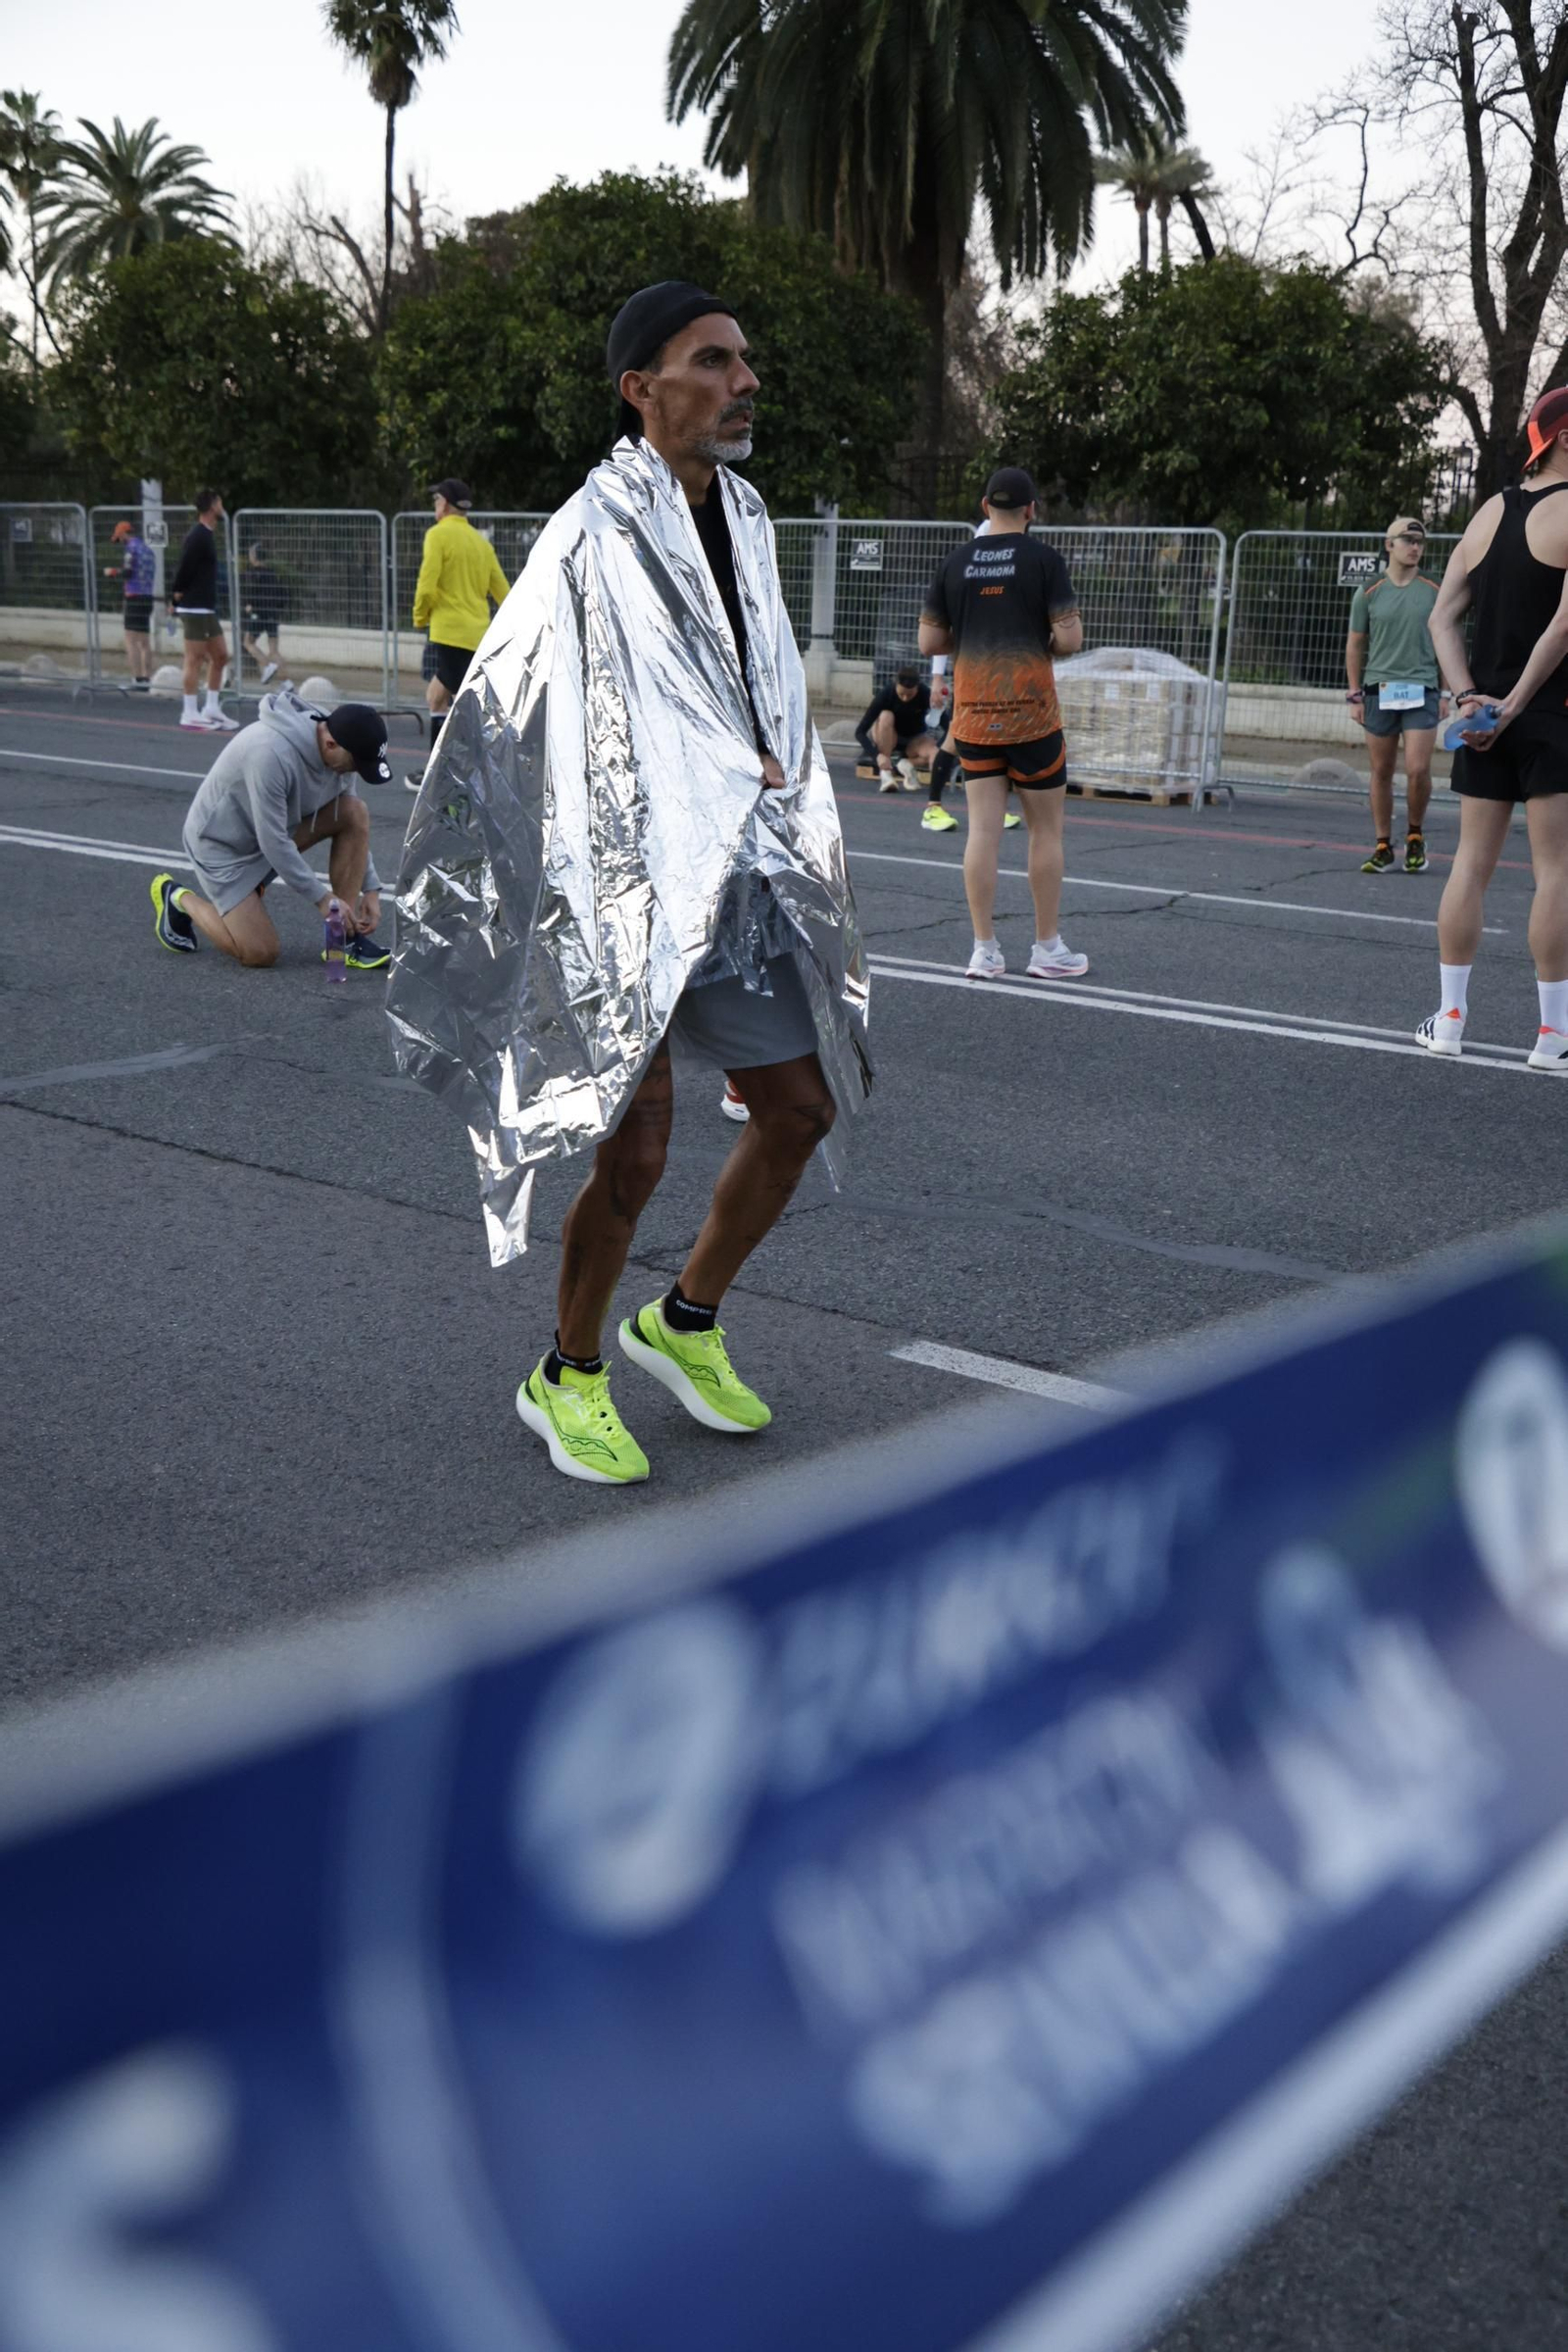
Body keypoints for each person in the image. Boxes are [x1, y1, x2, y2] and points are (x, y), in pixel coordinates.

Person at [389, 279, 870, 1486]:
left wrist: (773, 784)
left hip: (741, 867)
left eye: (744, 361)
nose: (741, 381)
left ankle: (685, 1321)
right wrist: (712, 763)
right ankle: (568, 1371)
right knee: (639, 1146)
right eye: (711, 362)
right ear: (640, 389)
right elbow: (541, 707)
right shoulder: (590, 532)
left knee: (800, 1108)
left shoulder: (748, 515)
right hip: (615, 882)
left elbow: (756, 678)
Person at [1422, 386, 1568, 1070]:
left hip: (1484, 714)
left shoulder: (1489, 512)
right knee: (1556, 872)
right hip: (1550, 714)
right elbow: (1565, 627)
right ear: (1564, 438)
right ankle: (1552, 1036)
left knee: (1470, 868)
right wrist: (1511, 705)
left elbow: (1441, 618)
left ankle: (1450, 1019)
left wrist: (1470, 698)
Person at [918, 466, 1088, 980]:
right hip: (1032, 719)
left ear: (984, 507)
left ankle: (985, 950)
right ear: (1031, 511)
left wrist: (971, 635)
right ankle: (1047, 948)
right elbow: (1070, 638)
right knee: (1046, 832)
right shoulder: (1044, 560)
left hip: (973, 719)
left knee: (982, 832)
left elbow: (929, 642)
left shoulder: (956, 561)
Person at [149, 686, 392, 970]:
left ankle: (343, 942)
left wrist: (371, 889)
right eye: (355, 765)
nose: (355, 773)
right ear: (330, 745)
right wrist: (324, 899)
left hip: (274, 832)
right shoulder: (269, 753)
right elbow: (273, 842)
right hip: (221, 848)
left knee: (354, 810)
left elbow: (349, 818)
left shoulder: (342, 743)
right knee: (259, 953)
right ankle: (178, 898)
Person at [1346, 516, 1445, 873]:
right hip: (1378, 691)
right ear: (1389, 545)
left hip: (1423, 688)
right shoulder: (1369, 591)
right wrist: (1354, 694)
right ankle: (1383, 844)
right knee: (1381, 770)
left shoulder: (1435, 588)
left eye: (1420, 541)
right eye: (1408, 540)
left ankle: (1415, 835)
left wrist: (1447, 691)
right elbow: (1356, 643)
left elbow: (1447, 639)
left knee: (1418, 768)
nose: (1415, 547)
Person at [404, 479, 510, 790]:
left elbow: (427, 582)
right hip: (479, 634)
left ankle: (443, 775)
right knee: (441, 697)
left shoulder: (438, 536)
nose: (435, 505)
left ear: (446, 504)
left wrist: (419, 616)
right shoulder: (481, 544)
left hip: (449, 633)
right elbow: (503, 591)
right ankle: (452, 770)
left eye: (436, 499)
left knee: (450, 701)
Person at [169, 488, 236, 733]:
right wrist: (176, 594)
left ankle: (211, 707)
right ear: (212, 506)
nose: (222, 506)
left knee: (220, 656)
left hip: (206, 608)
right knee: (194, 659)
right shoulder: (197, 536)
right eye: (220, 502)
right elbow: (184, 567)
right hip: (193, 607)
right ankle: (189, 712)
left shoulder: (207, 535)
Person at [856, 667, 939, 791]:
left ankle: (907, 765)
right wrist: (877, 756)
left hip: (914, 740)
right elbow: (860, 732)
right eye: (901, 694)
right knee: (885, 716)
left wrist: (940, 750)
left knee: (935, 751)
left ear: (917, 687)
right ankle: (886, 772)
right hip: (889, 736)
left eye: (910, 695)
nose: (905, 698)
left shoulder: (926, 693)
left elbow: (947, 725)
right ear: (896, 686)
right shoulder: (885, 694)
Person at [106, 520, 157, 690]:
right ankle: (147, 678)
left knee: (130, 639)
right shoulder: (148, 550)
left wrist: (112, 572)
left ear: (123, 534)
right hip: (148, 597)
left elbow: (128, 572)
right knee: (144, 641)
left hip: (134, 597)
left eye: (119, 538)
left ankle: (137, 678)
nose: (119, 542)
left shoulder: (131, 549)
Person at [241, 544, 286, 685]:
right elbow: (282, 594)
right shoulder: (273, 573)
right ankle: (287, 683)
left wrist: (250, 605)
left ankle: (268, 666)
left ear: (254, 556)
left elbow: (252, 591)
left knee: (248, 642)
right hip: (273, 614)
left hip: (259, 614)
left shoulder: (252, 573)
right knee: (274, 651)